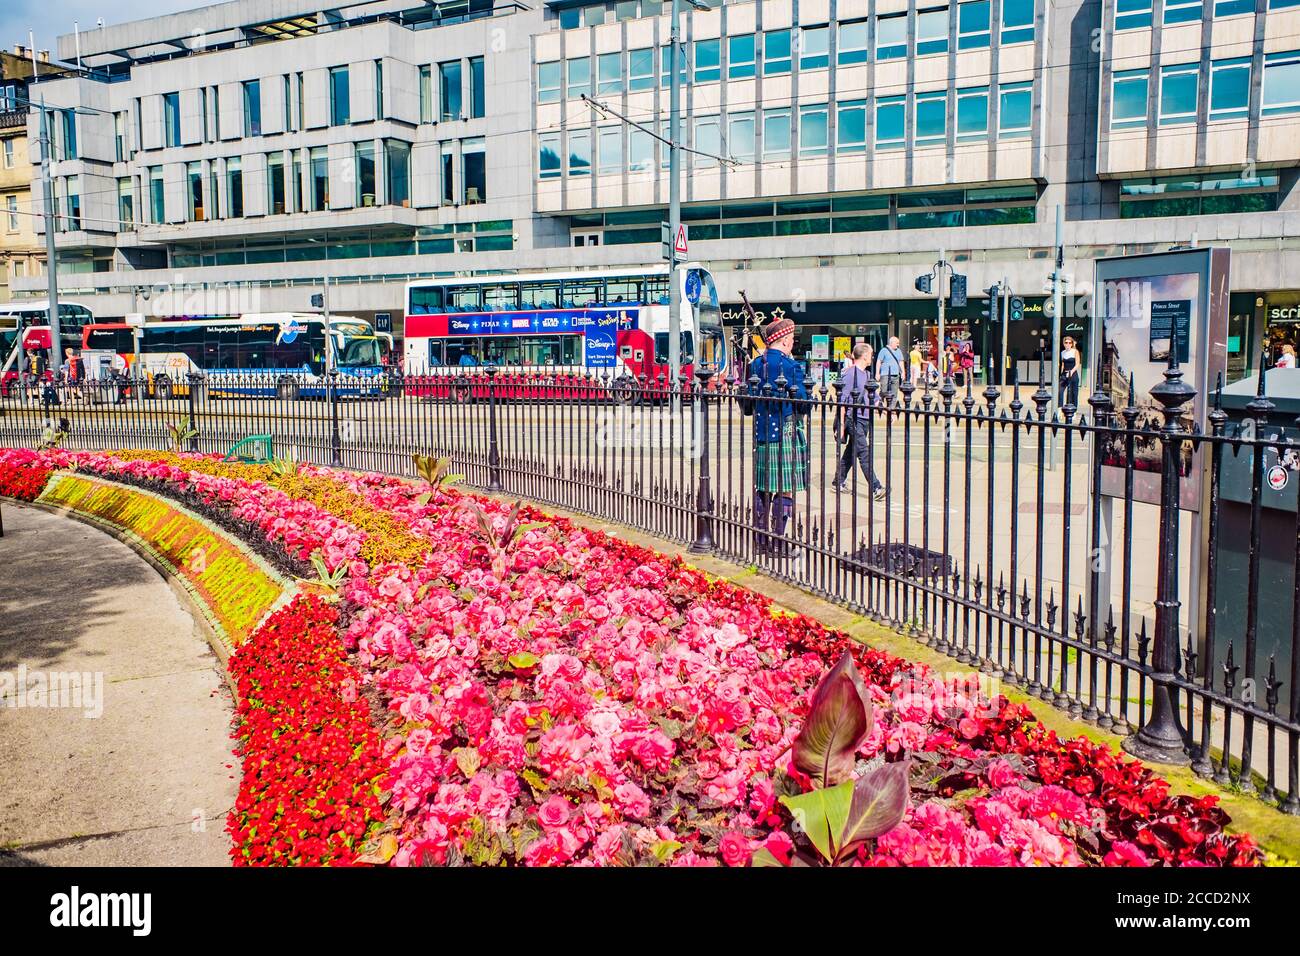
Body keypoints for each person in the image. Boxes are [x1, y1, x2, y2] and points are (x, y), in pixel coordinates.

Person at [749, 318, 809, 557]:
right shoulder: (790, 366)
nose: (793, 343)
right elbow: (803, 404)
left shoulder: (755, 365)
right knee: (786, 490)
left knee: (763, 488)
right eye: (792, 339)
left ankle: (761, 541)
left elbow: (746, 404)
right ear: (784, 340)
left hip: (762, 433)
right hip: (785, 431)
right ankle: (779, 542)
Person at [832, 343, 886, 500]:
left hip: (865, 419)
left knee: (852, 451)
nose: (872, 356)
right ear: (864, 355)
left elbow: (874, 397)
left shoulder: (868, 375)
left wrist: (887, 410)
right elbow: (842, 401)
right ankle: (876, 487)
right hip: (852, 418)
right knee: (863, 452)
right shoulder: (850, 374)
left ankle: (838, 481)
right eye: (871, 353)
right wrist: (841, 425)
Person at [876, 336, 906, 404]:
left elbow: (901, 362)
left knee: (894, 392)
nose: (898, 345)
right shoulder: (883, 350)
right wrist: (877, 373)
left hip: (895, 374)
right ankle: (880, 403)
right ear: (891, 343)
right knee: (883, 390)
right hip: (885, 374)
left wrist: (903, 372)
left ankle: (892, 407)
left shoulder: (899, 351)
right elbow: (879, 362)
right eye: (897, 343)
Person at [1059, 335, 1081, 406]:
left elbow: (1077, 364)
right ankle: (1060, 409)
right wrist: (1060, 374)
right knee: (1060, 391)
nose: (1068, 344)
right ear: (1064, 343)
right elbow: (1062, 364)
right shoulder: (1062, 353)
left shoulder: (1075, 351)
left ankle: (1072, 411)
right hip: (1064, 374)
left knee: (1072, 393)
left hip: (1073, 374)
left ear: (1072, 344)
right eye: (1066, 342)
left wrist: (1071, 372)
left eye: (1069, 343)